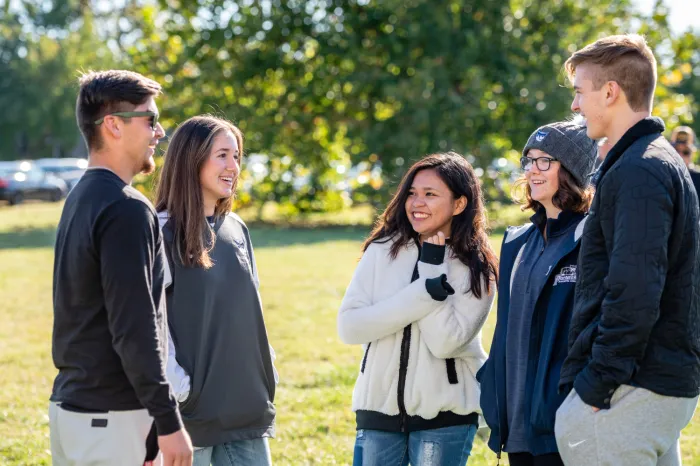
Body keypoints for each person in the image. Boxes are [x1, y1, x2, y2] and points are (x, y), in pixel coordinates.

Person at [555, 34, 700, 466]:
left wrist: (597, 383)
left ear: (611, 92)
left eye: (580, 92)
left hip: (630, 388)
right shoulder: (654, 161)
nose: (576, 106)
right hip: (652, 383)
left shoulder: (640, 170)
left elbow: (635, 289)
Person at [50, 70, 193, 465]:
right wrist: (168, 422)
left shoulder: (80, 198)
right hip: (111, 420)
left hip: (74, 411)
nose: (160, 131)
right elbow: (134, 326)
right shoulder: (126, 209)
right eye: (150, 119)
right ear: (112, 125)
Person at [337, 152, 498, 466]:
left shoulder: (477, 267)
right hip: (377, 412)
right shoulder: (382, 250)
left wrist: (431, 266)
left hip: (445, 417)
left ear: (459, 204)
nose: (416, 202)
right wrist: (427, 291)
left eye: (430, 194)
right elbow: (350, 328)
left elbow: (445, 343)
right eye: (412, 193)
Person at [154, 115, 277, 466]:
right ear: (192, 158)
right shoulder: (160, 231)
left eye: (236, 156)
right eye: (222, 155)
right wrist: (181, 389)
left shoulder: (236, 228)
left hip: (246, 406)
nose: (233, 166)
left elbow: (249, 309)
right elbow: (151, 321)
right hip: (191, 415)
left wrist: (266, 373)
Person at [477, 120, 597, 466]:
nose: (533, 170)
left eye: (545, 160)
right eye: (529, 160)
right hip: (514, 419)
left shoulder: (592, 239)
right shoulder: (516, 242)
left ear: (573, 169)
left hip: (564, 421)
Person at [670, 125, 700, 196]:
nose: (680, 156)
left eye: (686, 152)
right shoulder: (665, 176)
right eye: (676, 151)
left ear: (693, 152)